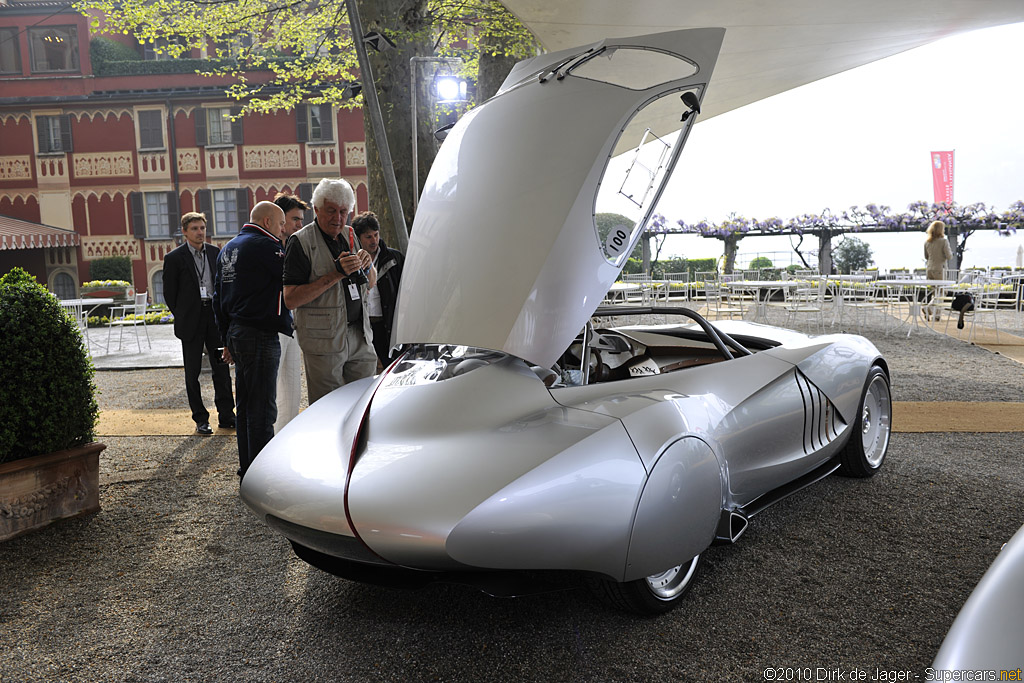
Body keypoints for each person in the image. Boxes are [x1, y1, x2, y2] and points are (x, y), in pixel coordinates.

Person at [283, 178, 377, 404]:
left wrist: (368, 265)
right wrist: (335, 274)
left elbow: (370, 283)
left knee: (363, 403)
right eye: (331, 211)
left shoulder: (351, 234)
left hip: (360, 335)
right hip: (323, 341)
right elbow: (290, 300)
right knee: (328, 408)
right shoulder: (300, 242)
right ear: (316, 209)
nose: (338, 218)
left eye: (344, 212)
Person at [214, 201, 291, 477]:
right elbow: (292, 275)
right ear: (268, 222)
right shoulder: (266, 245)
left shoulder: (228, 248)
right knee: (262, 410)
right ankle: (262, 477)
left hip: (237, 332)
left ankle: (247, 468)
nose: (284, 231)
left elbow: (217, 297)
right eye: (282, 224)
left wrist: (226, 339)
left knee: (246, 407)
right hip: (259, 333)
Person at [163, 211, 235, 436]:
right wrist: (184, 314)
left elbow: (224, 285)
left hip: (214, 319)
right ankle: (201, 419)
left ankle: (226, 415)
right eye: (194, 228)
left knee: (221, 368)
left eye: (202, 228)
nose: (200, 232)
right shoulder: (174, 259)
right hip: (191, 321)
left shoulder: (216, 253)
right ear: (185, 232)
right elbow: (169, 294)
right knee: (192, 372)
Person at [271, 192, 308, 432]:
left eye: (301, 219)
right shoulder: (266, 247)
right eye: (295, 219)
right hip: (272, 326)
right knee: (272, 389)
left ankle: (287, 436)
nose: (299, 224)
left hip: (294, 324)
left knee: (293, 386)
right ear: (279, 218)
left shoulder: (298, 246)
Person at [352, 211, 405, 368]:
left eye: (376, 235)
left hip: (387, 323)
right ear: (358, 238)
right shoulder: (352, 261)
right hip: (362, 326)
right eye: (368, 237)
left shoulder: (394, 259)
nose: (374, 240)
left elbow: (405, 295)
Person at [924, 219, 953, 321]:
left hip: (930, 269)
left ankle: (937, 315)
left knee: (935, 292)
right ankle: (929, 309)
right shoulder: (944, 241)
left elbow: (926, 256)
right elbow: (949, 256)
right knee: (942, 292)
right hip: (940, 269)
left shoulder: (927, 242)